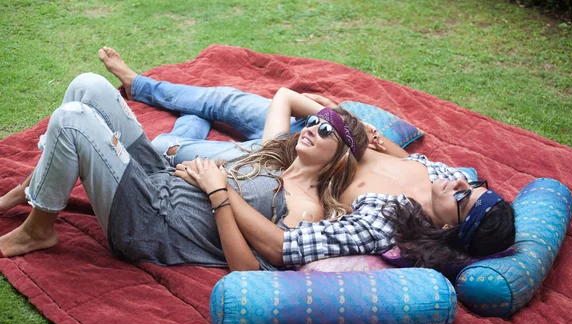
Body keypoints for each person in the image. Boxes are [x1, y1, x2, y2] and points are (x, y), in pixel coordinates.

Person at [98, 47, 516, 273]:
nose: (461, 182)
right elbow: (409, 158)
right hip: (329, 134)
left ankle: (182, 131)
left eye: (463, 198)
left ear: (446, 226)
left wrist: (221, 191)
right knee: (226, 99)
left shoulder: (385, 223)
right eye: (471, 185)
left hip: (284, 163)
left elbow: (284, 248)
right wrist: (375, 140)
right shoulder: (446, 177)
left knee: (165, 149)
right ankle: (140, 84)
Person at [0, 71, 368, 272]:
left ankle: (37, 230)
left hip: (152, 221)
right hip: (158, 178)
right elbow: (283, 95)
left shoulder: (308, 208)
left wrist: (217, 191)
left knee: (72, 120)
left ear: (340, 158)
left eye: (324, 131)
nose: (309, 129)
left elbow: (248, 271)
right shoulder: (275, 155)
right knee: (89, 85)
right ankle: (35, 187)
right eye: (312, 122)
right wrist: (335, 112)